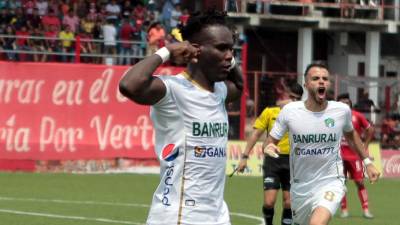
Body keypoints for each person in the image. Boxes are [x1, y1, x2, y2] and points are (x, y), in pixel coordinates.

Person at [119, 10, 243, 225]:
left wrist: (230, 61)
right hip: (180, 214)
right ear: (195, 49)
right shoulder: (173, 90)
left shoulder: (220, 92)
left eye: (231, 48)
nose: (229, 55)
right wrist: (167, 51)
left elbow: (240, 85)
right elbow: (129, 85)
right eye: (221, 48)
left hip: (217, 215)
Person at [262, 62, 380, 225]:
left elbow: (352, 135)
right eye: (316, 78)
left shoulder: (341, 110)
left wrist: (367, 162)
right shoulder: (290, 111)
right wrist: (268, 147)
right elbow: (269, 142)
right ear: (306, 84)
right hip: (300, 187)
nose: (321, 81)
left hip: (331, 181)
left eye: (325, 78)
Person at [238, 81, 303, 225]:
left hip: (294, 162)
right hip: (273, 161)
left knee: (289, 203)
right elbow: (255, 135)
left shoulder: (303, 114)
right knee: (269, 202)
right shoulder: (270, 111)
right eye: (292, 97)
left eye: (297, 99)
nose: (294, 101)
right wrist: (244, 157)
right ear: (285, 95)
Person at [336, 93, 375, 219]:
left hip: (354, 156)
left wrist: (365, 146)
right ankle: (344, 210)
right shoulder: (333, 117)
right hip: (338, 156)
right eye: (342, 103)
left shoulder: (357, 116)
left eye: (347, 103)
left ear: (350, 104)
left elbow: (370, 129)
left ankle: (366, 209)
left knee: (360, 182)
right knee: (341, 184)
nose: (344, 105)